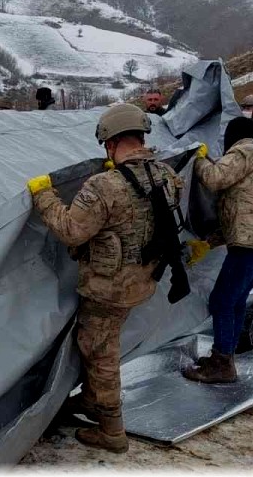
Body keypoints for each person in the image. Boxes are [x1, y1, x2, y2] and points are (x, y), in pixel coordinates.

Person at [25, 104, 182, 454]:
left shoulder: (105, 185)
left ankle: (112, 429)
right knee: (104, 343)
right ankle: (91, 400)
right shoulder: (165, 174)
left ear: (110, 143)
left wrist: (43, 196)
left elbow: (71, 231)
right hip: (142, 280)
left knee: (100, 353)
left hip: (107, 289)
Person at [183, 117, 253, 384]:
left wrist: (197, 158)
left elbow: (215, 178)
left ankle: (222, 363)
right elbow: (244, 210)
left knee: (221, 301)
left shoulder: (244, 150)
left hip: (249, 246)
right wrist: (209, 243)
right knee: (236, 302)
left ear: (233, 136)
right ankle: (225, 356)